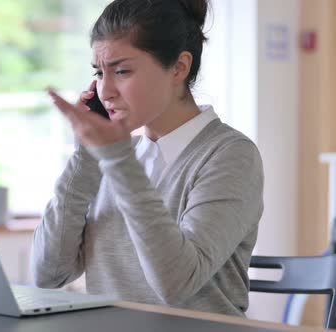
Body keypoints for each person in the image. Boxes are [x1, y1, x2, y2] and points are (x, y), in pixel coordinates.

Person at [31, 0, 264, 317]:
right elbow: (48, 274)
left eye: (122, 71)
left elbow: (176, 284)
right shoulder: (113, 157)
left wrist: (116, 160)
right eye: (99, 73)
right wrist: (86, 155)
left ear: (179, 68)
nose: (106, 91)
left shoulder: (230, 155)